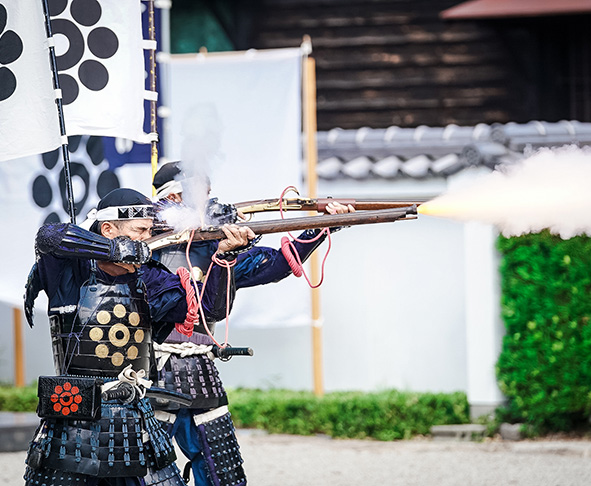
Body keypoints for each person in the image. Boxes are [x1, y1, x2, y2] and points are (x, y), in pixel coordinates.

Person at [22, 188, 255, 486]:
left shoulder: (151, 276)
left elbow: (209, 307)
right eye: (139, 230)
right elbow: (50, 236)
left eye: (149, 230)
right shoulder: (70, 269)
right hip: (72, 423)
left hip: (136, 417)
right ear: (108, 229)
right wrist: (113, 251)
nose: (147, 237)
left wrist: (225, 258)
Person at [149, 162, 354, 486]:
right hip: (151, 368)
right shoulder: (144, 240)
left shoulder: (218, 243)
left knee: (223, 471)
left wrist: (321, 226)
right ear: (174, 196)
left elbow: (275, 265)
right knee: (148, 471)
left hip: (201, 368)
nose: (208, 199)